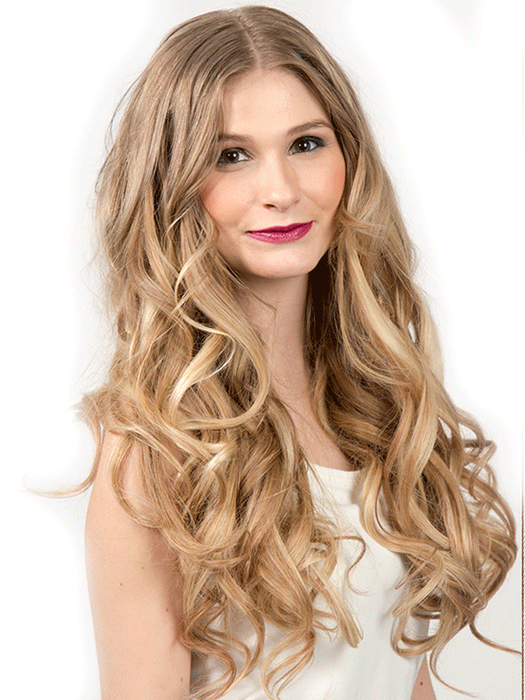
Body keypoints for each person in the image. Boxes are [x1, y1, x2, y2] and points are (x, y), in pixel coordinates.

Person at [80, 6, 517, 700]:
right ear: (171, 184)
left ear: (349, 159)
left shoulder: (384, 414)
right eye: (231, 155)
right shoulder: (155, 449)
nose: (281, 191)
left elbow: (397, 674)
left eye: (306, 143)